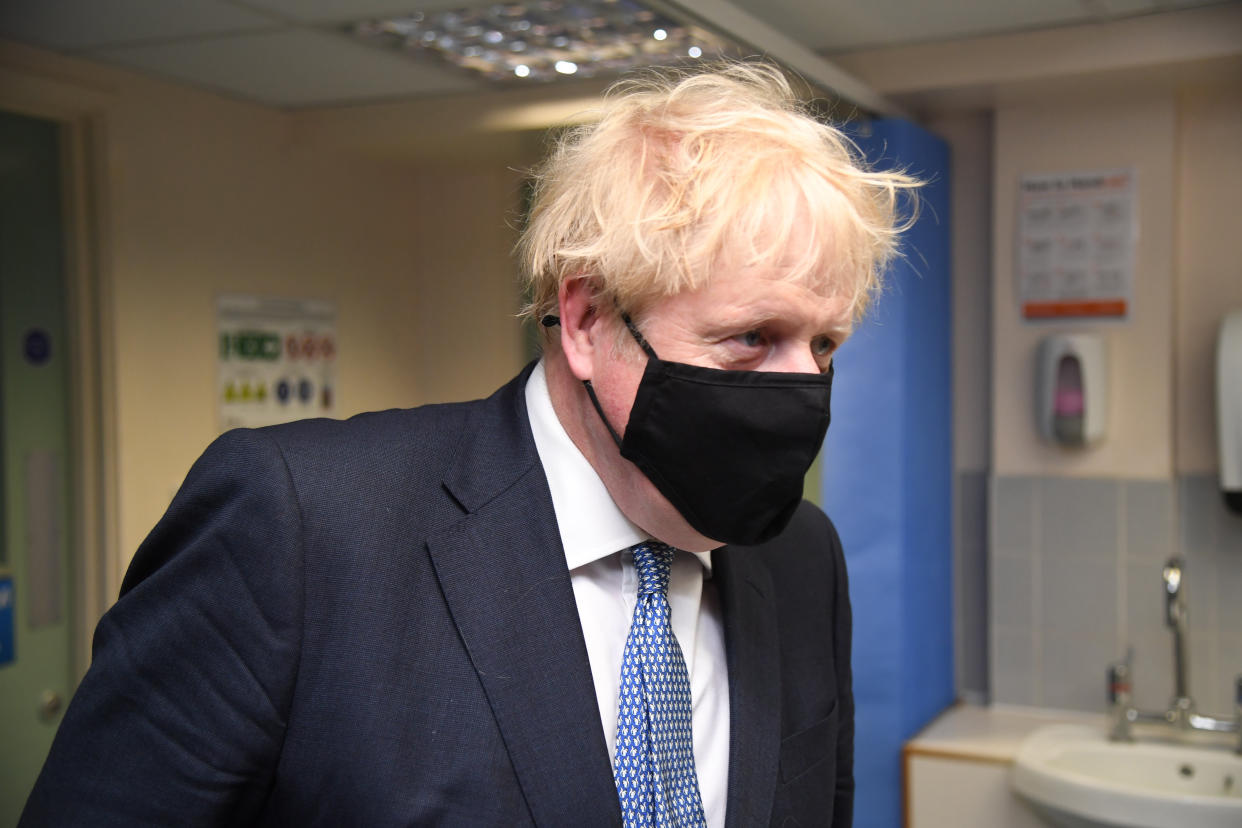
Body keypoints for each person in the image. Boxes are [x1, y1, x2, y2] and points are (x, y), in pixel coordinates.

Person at [21, 62, 917, 827]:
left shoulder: (801, 560)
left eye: (824, 344)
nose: (803, 385)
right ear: (586, 318)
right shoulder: (300, 529)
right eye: (750, 337)